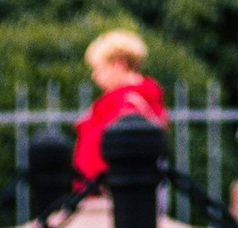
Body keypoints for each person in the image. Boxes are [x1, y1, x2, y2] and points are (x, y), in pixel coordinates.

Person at [71, 25, 166, 185]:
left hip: (110, 192)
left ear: (118, 64)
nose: (95, 77)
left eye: (98, 69)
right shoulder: (144, 99)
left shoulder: (125, 102)